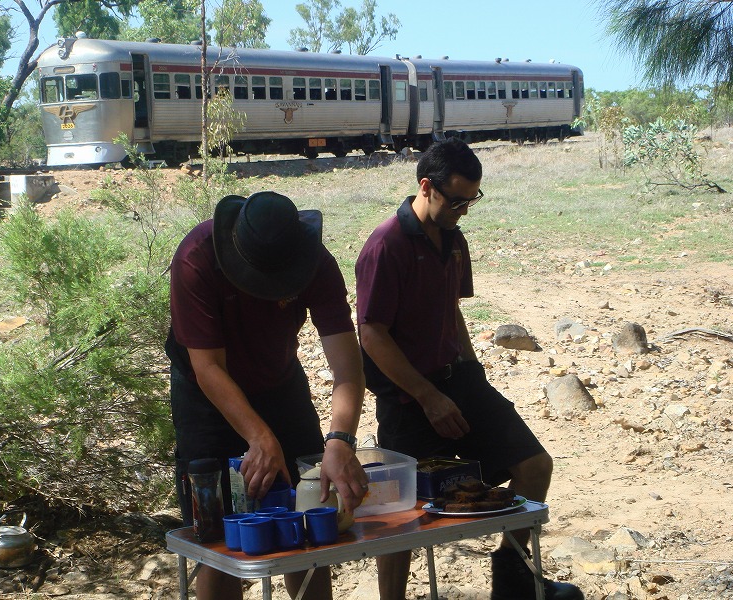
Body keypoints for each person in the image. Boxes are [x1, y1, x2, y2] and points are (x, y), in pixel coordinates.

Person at [355, 138, 583, 600]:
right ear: (426, 187)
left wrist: (472, 372)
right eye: (456, 201)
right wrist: (427, 397)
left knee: (535, 466)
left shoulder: (453, 239)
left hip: (458, 380)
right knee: (401, 513)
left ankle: (513, 580)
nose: (463, 211)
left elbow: (451, 310)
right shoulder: (386, 246)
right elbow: (372, 334)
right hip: (406, 397)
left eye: (471, 201)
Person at [167, 191, 368, 600]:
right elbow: (208, 368)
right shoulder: (196, 258)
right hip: (207, 396)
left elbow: (348, 368)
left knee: (310, 521)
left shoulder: (316, 263)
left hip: (280, 384)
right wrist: (260, 438)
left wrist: (340, 441)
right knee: (219, 535)